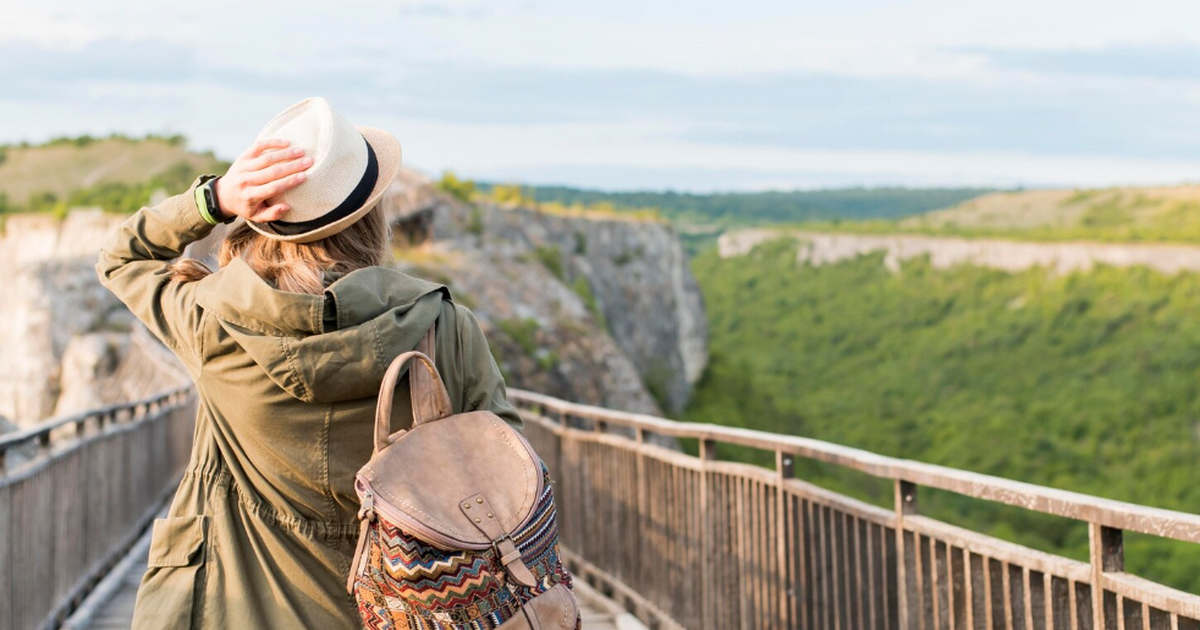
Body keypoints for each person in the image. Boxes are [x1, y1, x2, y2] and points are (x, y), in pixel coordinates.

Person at [96, 97, 522, 629]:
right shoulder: (444, 326)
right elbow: (505, 455)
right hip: (404, 606)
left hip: (235, 608)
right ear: (371, 215)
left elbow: (120, 258)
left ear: (265, 219)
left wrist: (215, 200)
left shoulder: (212, 322)